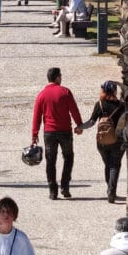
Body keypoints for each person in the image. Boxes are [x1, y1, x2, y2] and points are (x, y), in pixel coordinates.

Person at [31, 67, 84, 199]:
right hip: (65, 131)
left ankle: (52, 191)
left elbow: (36, 116)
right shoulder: (65, 92)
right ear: (57, 78)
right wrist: (79, 125)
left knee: (50, 161)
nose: (61, 78)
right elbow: (74, 110)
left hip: (49, 133)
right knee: (68, 157)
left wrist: (34, 134)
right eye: (60, 75)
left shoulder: (42, 95)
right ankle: (65, 186)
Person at [78, 81, 127, 203]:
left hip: (102, 141)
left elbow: (91, 122)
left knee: (108, 165)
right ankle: (111, 191)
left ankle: (109, 188)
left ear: (104, 91)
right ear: (114, 91)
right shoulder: (121, 106)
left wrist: (80, 127)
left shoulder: (99, 105)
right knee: (114, 166)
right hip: (117, 141)